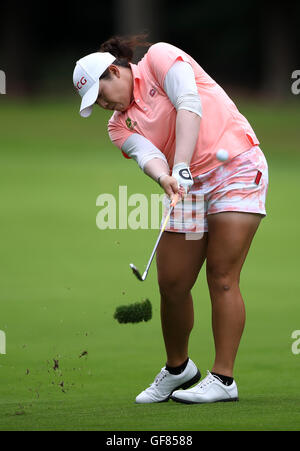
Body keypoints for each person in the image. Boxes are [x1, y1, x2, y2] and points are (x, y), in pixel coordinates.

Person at [73, 35, 268, 404]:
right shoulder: (118, 126)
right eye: (95, 104)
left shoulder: (160, 59)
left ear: (114, 71)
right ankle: (179, 370)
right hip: (186, 185)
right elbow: (147, 155)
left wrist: (180, 164)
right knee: (173, 283)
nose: (102, 105)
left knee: (222, 276)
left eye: (101, 95)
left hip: (236, 167)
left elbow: (188, 104)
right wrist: (166, 177)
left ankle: (224, 379)